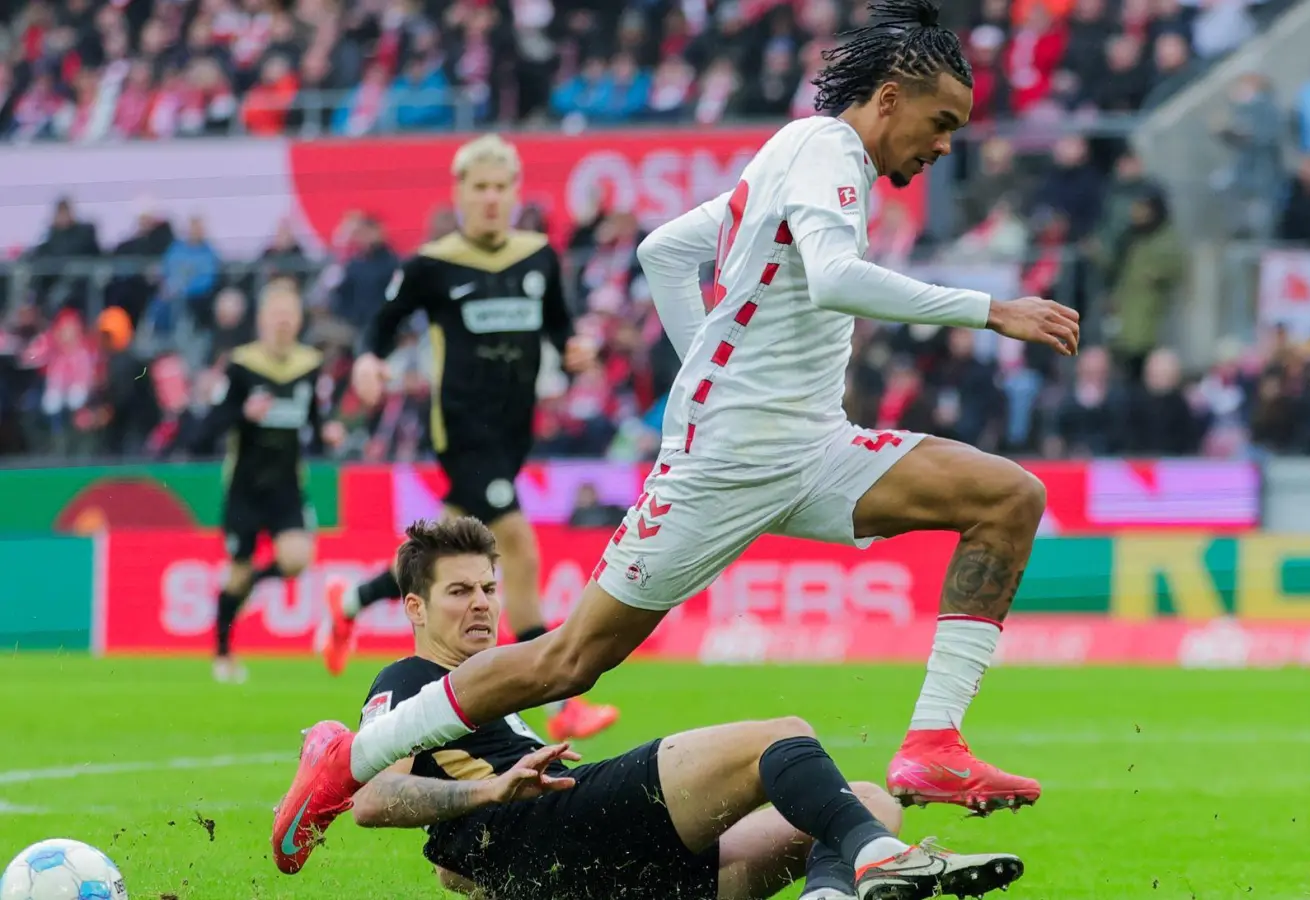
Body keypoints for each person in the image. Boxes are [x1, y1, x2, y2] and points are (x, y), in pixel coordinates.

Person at [273, 0, 1081, 872]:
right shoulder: (827, 151)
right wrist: (989, 308)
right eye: (942, 122)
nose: (945, 143)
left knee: (1008, 496)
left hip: (808, 443)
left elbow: (664, 249)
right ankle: (346, 763)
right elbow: (837, 277)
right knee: (568, 661)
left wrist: (711, 364)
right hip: (730, 457)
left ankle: (932, 739)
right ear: (888, 99)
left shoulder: (790, 152)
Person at [337, 517, 1025, 899]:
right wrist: (490, 793)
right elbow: (372, 797)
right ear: (415, 609)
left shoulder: (495, 682)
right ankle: (881, 861)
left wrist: (472, 858)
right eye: (460, 592)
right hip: (556, 825)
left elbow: (453, 859)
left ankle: (836, 892)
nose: (483, 602)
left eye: (489, 586)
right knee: (782, 737)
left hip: (593, 872)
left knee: (868, 800)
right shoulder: (411, 679)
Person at [317, 133, 619, 743]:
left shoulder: (538, 257)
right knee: (518, 545)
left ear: (514, 193)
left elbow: (559, 327)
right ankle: (560, 698)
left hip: (513, 430)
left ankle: (350, 600)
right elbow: (382, 323)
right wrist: (371, 361)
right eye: (478, 187)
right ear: (459, 193)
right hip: (460, 427)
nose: (490, 198)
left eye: (500, 187)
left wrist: (574, 349)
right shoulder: (432, 264)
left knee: (442, 547)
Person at [189, 278, 343, 683]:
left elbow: (312, 421)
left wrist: (327, 434)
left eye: (290, 315)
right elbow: (208, 427)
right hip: (244, 487)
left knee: (297, 558)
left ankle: (253, 582)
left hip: (286, 487)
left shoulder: (308, 366)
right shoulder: (241, 366)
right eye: (276, 315)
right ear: (262, 320)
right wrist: (243, 413)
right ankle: (222, 652)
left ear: (298, 320)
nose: (283, 323)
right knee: (236, 573)